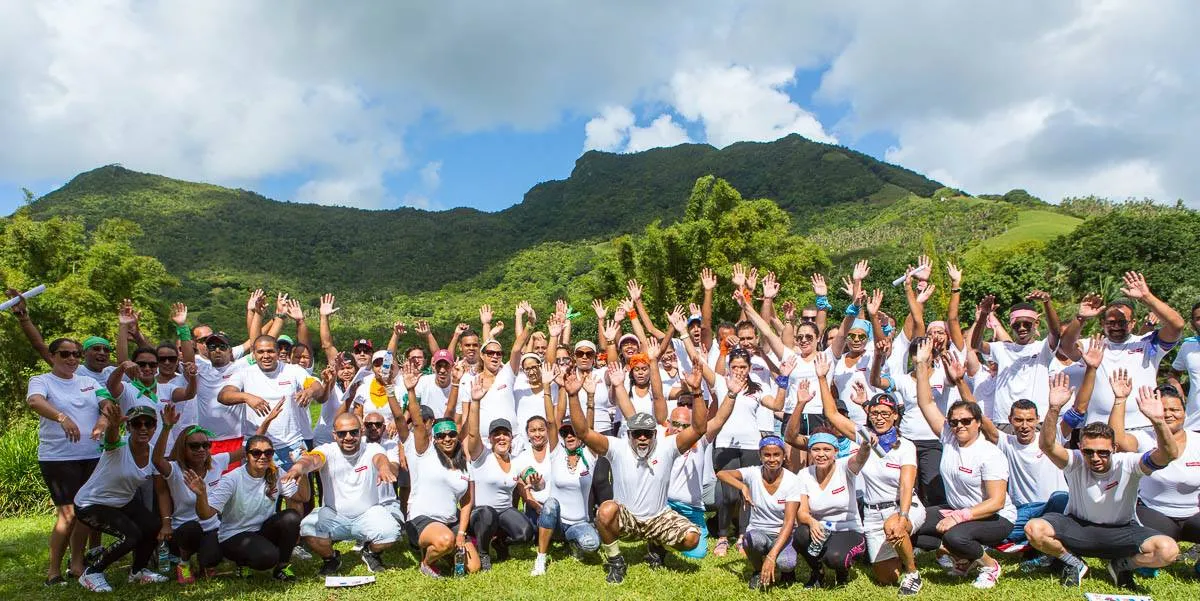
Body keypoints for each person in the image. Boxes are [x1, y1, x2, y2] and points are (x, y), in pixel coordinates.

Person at [1024, 373, 1181, 589]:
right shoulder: (1076, 461)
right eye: (1089, 452)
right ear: (1080, 449)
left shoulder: (1129, 463)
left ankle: (1121, 566)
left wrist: (1158, 421)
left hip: (1121, 531)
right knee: (1034, 529)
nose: (1095, 458)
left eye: (1103, 452)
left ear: (1114, 449)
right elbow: (1047, 446)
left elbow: (1169, 454)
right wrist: (1053, 409)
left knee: (1168, 550)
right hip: (1078, 527)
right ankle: (1073, 563)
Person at [566, 365, 708, 585]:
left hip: (658, 517)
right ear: (629, 434)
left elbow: (699, 429)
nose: (642, 438)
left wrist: (697, 393)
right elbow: (583, 433)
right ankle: (616, 561)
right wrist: (573, 396)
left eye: (647, 434)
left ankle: (657, 547)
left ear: (654, 434)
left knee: (692, 539)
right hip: (627, 520)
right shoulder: (617, 447)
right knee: (605, 511)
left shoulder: (667, 447)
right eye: (637, 434)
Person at [809, 353, 925, 594]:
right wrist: (822, 378)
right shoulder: (865, 437)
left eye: (885, 414)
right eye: (875, 414)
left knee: (894, 526)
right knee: (886, 578)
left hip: (903, 506)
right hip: (872, 514)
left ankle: (913, 572)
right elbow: (832, 414)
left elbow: (906, 484)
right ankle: (900, 552)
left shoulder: (906, 446)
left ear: (895, 415)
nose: (880, 418)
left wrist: (903, 516)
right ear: (868, 415)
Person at [911, 339, 1016, 590]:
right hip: (958, 510)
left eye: (966, 421)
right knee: (912, 523)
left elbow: (996, 502)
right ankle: (962, 556)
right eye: (954, 421)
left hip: (995, 518)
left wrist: (959, 517)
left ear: (978, 422)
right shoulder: (949, 437)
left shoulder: (989, 453)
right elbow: (926, 403)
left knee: (955, 535)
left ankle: (990, 565)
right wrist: (922, 363)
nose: (959, 425)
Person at [152, 403, 277, 583]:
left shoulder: (217, 462)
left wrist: (267, 422)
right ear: (183, 448)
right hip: (185, 528)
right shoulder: (175, 470)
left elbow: (248, 450)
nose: (201, 450)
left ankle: (205, 563)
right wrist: (167, 428)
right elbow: (156, 460)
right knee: (191, 528)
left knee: (212, 558)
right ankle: (184, 563)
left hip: (212, 526)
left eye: (205, 445)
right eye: (194, 446)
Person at [27, 338, 110, 586]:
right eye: (65, 354)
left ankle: (76, 564)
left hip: (92, 455)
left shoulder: (89, 382)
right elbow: (35, 401)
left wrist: (103, 420)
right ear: (53, 357)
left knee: (84, 511)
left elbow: (106, 403)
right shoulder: (41, 381)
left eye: (75, 354)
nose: (71, 359)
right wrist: (62, 417)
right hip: (59, 457)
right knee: (68, 513)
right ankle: (53, 571)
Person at [1059, 272, 1184, 430]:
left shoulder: (1148, 343)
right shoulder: (1094, 345)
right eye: (1111, 322)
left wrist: (1147, 297)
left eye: (1122, 322)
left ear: (1132, 323)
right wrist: (1080, 318)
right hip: (1098, 430)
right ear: (1102, 323)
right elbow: (1066, 346)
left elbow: (1177, 325)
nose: (1116, 326)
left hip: (1144, 427)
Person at [463, 310, 538, 569]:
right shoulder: (471, 381)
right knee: (483, 493)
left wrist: (529, 324)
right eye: (490, 353)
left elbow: (517, 348)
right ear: (482, 356)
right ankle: (480, 536)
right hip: (483, 443)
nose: (496, 356)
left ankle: (502, 536)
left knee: (512, 486)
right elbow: (465, 415)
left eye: (498, 353)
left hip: (511, 439)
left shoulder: (508, 373)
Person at [1106, 376, 1200, 577]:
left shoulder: (1197, 440)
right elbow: (1117, 440)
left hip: (1193, 513)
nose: (1169, 414)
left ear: (1185, 412)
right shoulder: (1143, 437)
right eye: (1163, 409)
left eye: (1174, 409)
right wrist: (1120, 399)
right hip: (1155, 512)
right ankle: (1136, 560)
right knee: (1146, 552)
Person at [287, 412, 400, 575]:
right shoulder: (326, 450)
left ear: (361, 432)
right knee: (307, 528)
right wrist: (298, 468)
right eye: (342, 433)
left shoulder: (372, 448)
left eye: (353, 432)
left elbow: (380, 458)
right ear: (334, 435)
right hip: (334, 514)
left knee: (392, 532)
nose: (348, 437)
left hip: (368, 513)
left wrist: (384, 468)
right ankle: (331, 558)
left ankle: (371, 553)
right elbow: (312, 460)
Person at [187, 434, 310, 580]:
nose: (263, 456)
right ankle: (242, 563)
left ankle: (282, 568)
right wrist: (201, 495)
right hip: (234, 535)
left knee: (291, 517)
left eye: (268, 453)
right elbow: (206, 514)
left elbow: (303, 497)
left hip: (262, 530)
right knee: (267, 557)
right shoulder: (231, 479)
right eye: (256, 453)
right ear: (246, 455)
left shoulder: (275, 473)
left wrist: (302, 469)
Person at [398, 363, 482, 578]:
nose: (447, 438)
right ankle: (427, 562)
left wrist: (462, 532)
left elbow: (467, 503)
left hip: (450, 521)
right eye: (442, 435)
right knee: (445, 541)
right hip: (422, 518)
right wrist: (411, 391)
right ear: (434, 437)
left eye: (451, 435)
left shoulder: (465, 463)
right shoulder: (425, 452)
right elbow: (417, 423)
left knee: (473, 568)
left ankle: (447, 546)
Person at [74, 405, 167, 592]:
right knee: (131, 536)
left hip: (122, 502)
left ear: (154, 427)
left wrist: (166, 522)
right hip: (91, 503)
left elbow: (162, 491)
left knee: (152, 525)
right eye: (136, 424)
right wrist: (113, 426)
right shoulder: (118, 446)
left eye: (148, 424)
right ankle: (92, 572)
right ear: (128, 427)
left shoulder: (153, 454)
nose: (143, 428)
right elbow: (111, 439)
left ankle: (138, 571)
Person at [530, 370, 601, 576]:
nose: (570, 436)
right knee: (550, 505)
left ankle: (573, 542)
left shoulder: (590, 453)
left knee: (591, 545)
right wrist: (546, 387)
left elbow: (589, 428)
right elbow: (551, 422)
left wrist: (589, 396)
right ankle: (541, 559)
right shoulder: (556, 453)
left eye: (574, 432)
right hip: (557, 521)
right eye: (566, 433)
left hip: (579, 522)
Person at [218, 335, 324, 472]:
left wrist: (309, 391)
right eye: (261, 352)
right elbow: (223, 395)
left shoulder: (293, 370)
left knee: (299, 491)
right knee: (259, 492)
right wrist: (246, 397)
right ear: (254, 353)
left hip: (291, 445)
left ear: (278, 352)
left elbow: (317, 387)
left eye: (270, 351)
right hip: (257, 447)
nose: (266, 356)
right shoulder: (245, 374)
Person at [717, 435, 802, 590]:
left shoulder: (793, 481)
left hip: (782, 533)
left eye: (776, 454)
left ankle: (785, 571)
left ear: (784, 456)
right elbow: (721, 474)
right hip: (758, 531)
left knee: (787, 564)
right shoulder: (753, 473)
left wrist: (771, 556)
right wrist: (743, 486)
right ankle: (758, 570)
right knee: (750, 540)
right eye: (767, 455)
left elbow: (789, 522)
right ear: (760, 456)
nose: (772, 459)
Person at [1167, 301, 1200, 429]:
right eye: (1198, 318)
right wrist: (1175, 384)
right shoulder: (1188, 346)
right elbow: (1173, 373)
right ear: (1192, 324)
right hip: (1195, 424)